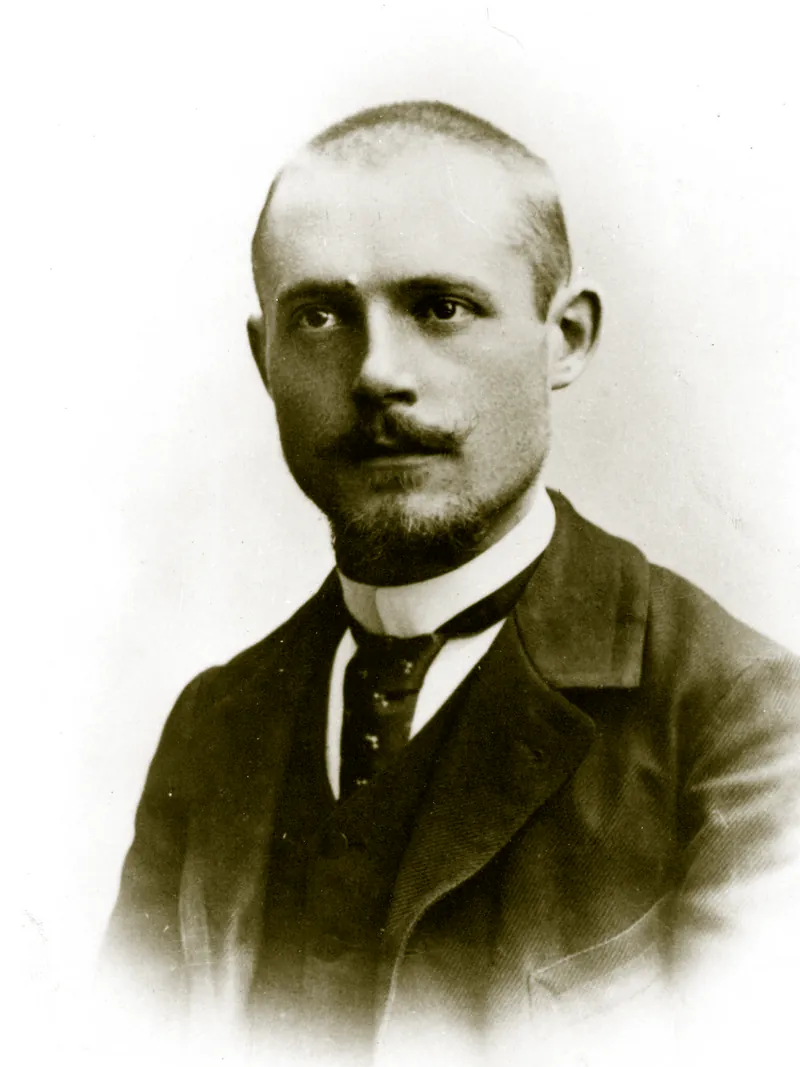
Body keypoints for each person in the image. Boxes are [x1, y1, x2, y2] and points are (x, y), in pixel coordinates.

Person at [104, 100, 800, 1066]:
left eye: (441, 308)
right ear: (264, 359)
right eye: (320, 316)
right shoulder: (214, 725)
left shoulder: (742, 720)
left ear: (567, 338)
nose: (377, 374)